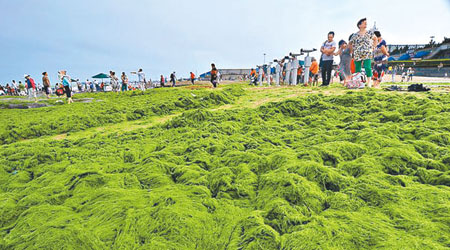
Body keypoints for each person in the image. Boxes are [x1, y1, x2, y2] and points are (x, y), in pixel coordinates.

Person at [349, 18, 378, 88]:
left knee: (367, 67)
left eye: (366, 23)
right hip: (357, 53)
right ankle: (359, 82)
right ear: (359, 25)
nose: (366, 24)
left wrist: (373, 47)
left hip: (367, 53)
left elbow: (375, 39)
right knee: (357, 68)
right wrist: (351, 51)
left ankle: (369, 83)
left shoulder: (369, 33)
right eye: (364, 23)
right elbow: (350, 43)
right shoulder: (355, 35)